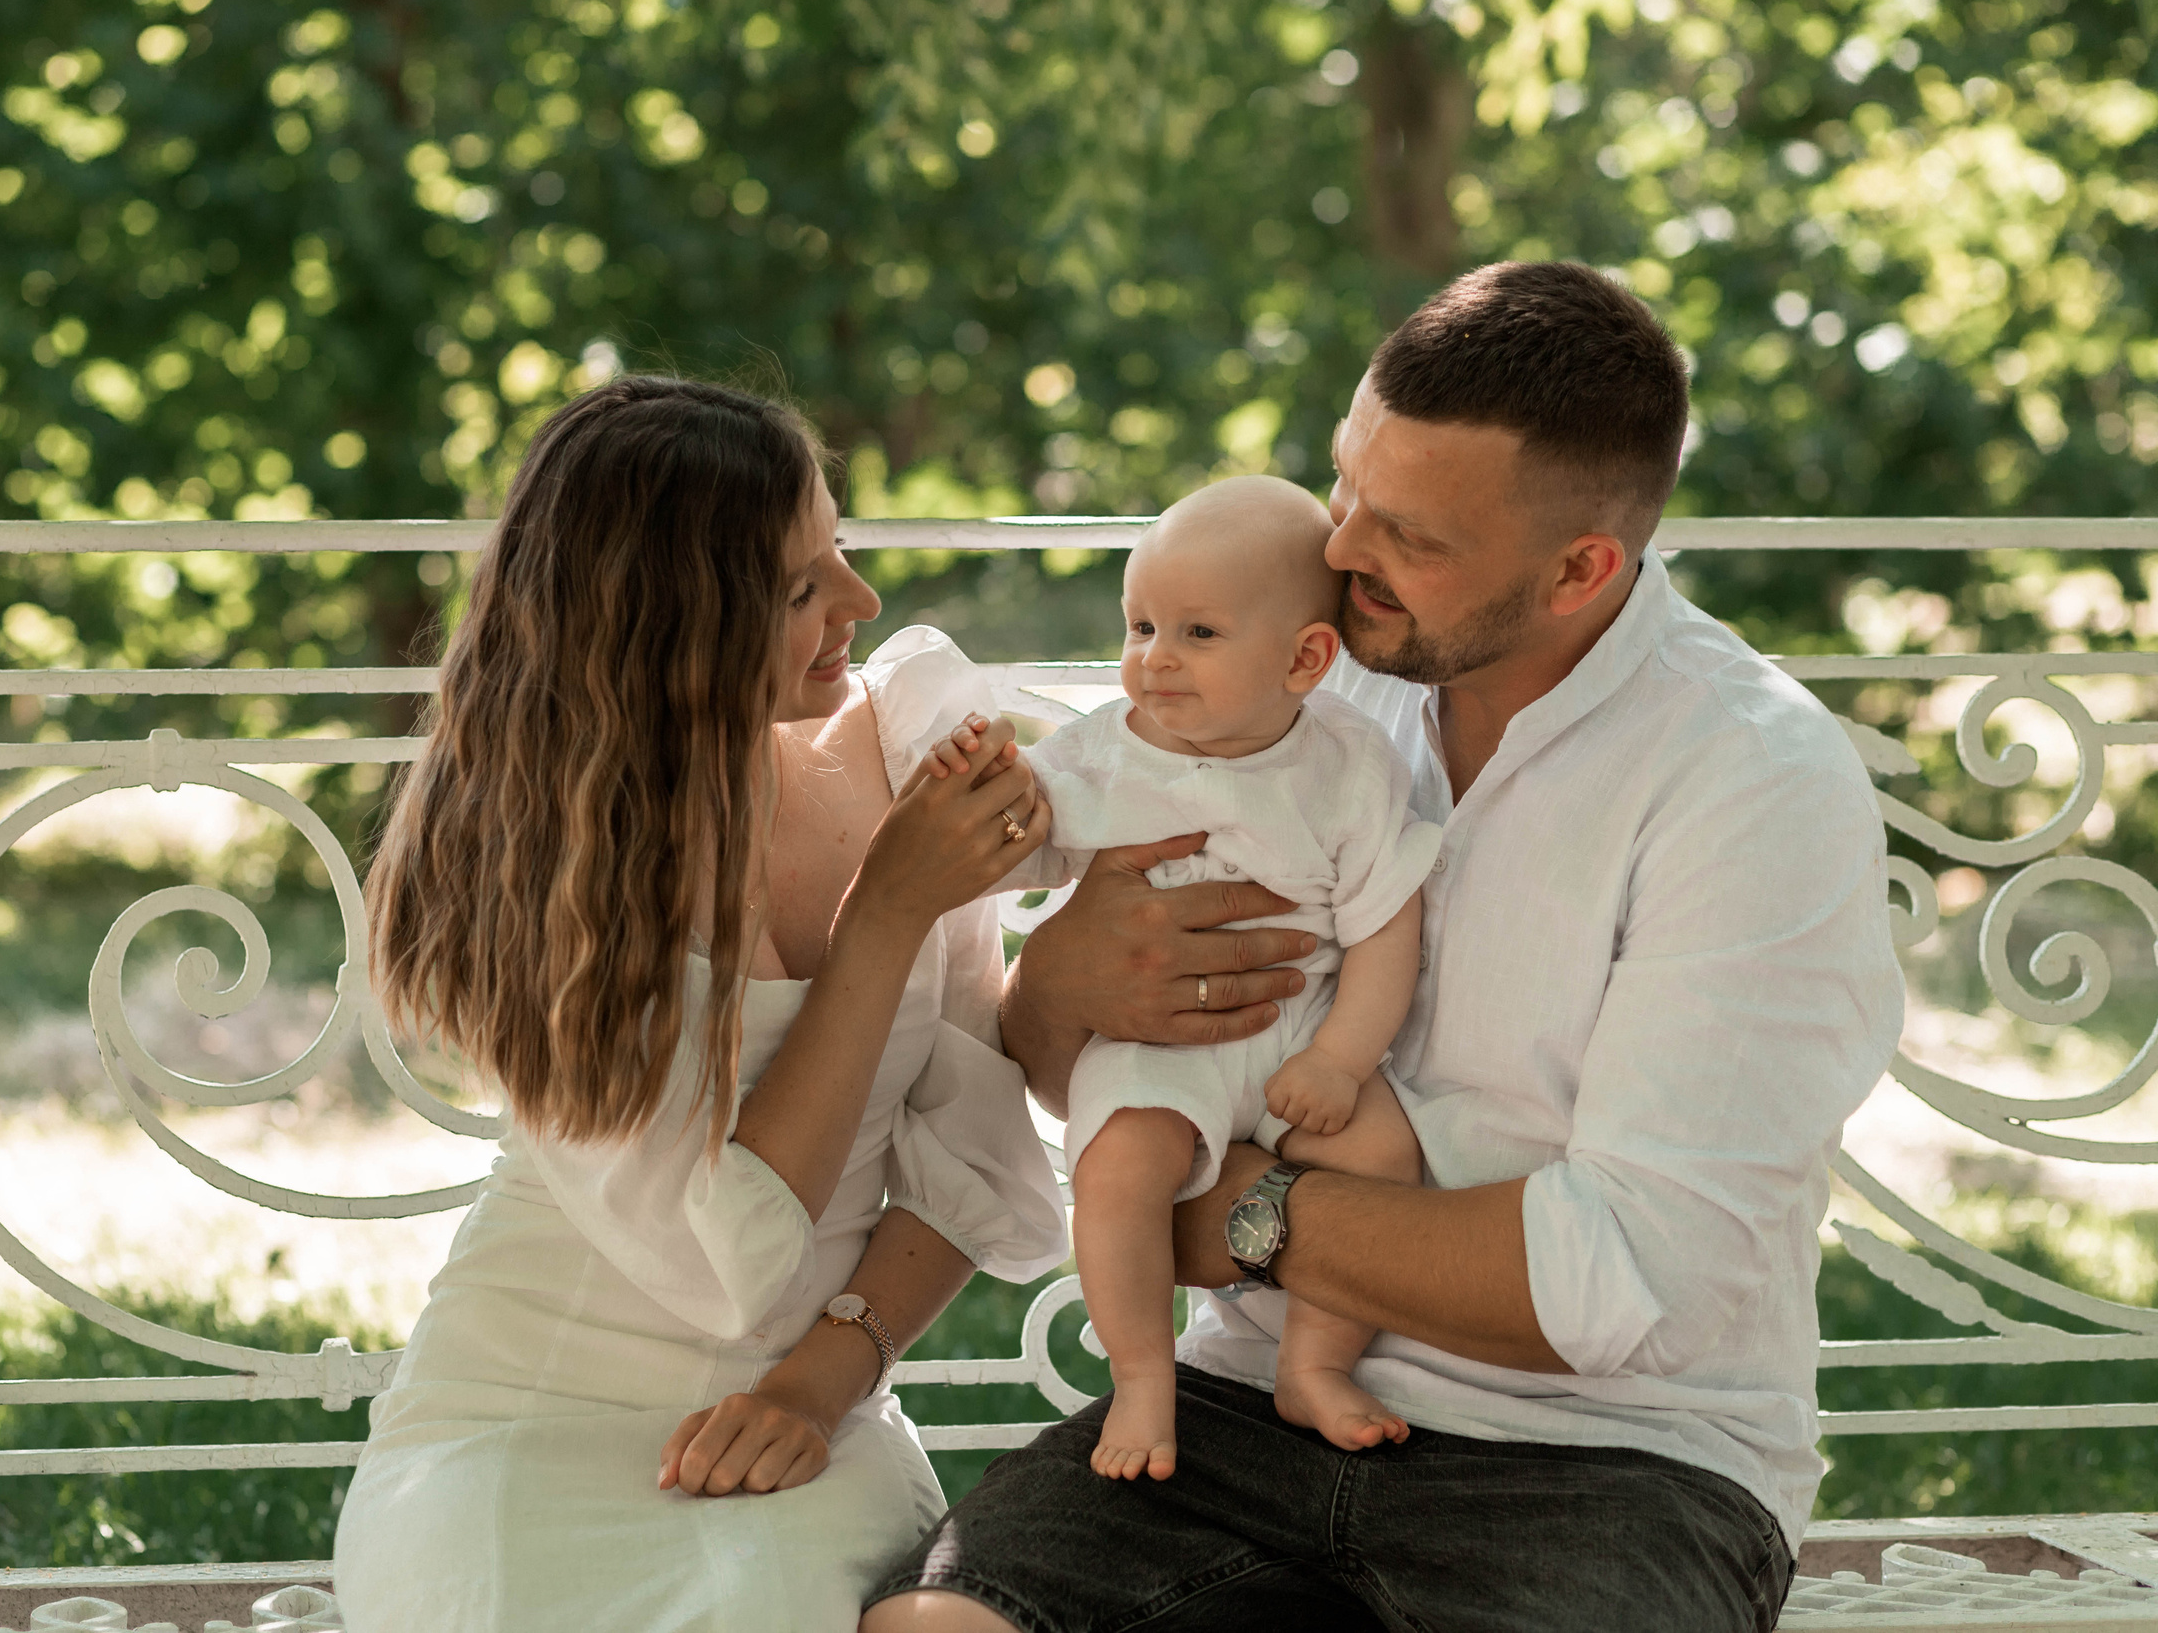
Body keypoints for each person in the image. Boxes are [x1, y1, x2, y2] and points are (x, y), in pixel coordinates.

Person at [864, 261, 1906, 1632]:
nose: (1341, 547)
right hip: (1238, 1410)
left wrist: (1240, 1211)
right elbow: (1067, 1063)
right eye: (1346, 482)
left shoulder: (1749, 782)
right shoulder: (1301, 670)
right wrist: (1064, 977)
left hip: (1614, 1465)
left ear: (1580, 568)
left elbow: (1607, 1286)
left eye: (1406, 532)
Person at [333, 375, 1070, 1632]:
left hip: (813, 1402)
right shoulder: (553, 861)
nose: (860, 604)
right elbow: (730, 1263)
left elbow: (971, 1164)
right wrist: (879, 919)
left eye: (838, 551)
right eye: (798, 589)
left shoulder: (899, 753)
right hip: (525, 1415)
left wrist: (814, 1390)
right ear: (670, 631)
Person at [919, 476, 1434, 1480]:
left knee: (1383, 1163)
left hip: (1302, 1027)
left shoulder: (1350, 766)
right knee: (1116, 1174)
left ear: (1304, 658)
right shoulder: (1101, 758)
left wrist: (1338, 1061)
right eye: (1141, 624)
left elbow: (1385, 929)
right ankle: (1145, 1377)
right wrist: (986, 789)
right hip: (1154, 1045)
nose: (1153, 658)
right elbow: (1023, 855)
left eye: (1197, 633)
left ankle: (1315, 1362)